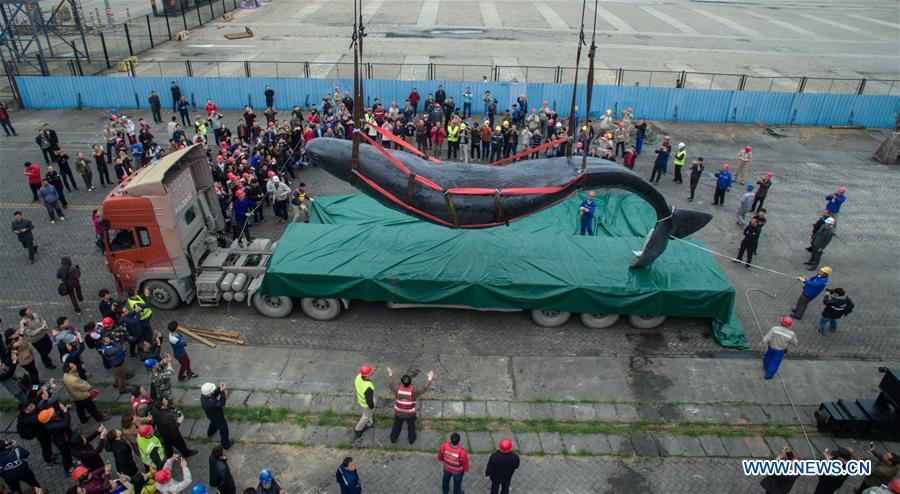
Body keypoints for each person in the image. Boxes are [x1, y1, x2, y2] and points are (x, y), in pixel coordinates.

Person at [386, 367, 434, 444]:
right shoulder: (413, 392)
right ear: (410, 382)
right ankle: (411, 440)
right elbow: (424, 388)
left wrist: (390, 374)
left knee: (396, 427)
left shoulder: (397, 390)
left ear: (402, 382)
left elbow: (391, 384)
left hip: (399, 413)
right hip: (410, 415)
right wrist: (429, 379)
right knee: (411, 427)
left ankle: (393, 438)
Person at [201, 382, 232, 449]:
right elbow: (222, 403)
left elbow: (213, 395)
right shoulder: (212, 403)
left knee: (213, 422)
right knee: (224, 430)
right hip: (218, 417)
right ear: (210, 393)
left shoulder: (203, 396)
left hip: (210, 415)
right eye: (212, 390)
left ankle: (210, 432)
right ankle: (226, 445)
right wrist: (222, 392)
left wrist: (219, 389)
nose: (213, 391)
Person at [353, 364, 376, 439]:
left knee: (367, 414)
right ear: (367, 376)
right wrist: (372, 406)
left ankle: (370, 421)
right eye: (370, 373)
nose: (371, 374)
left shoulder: (358, 377)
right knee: (365, 416)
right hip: (366, 404)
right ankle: (358, 429)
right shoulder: (368, 387)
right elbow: (369, 401)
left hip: (361, 400)